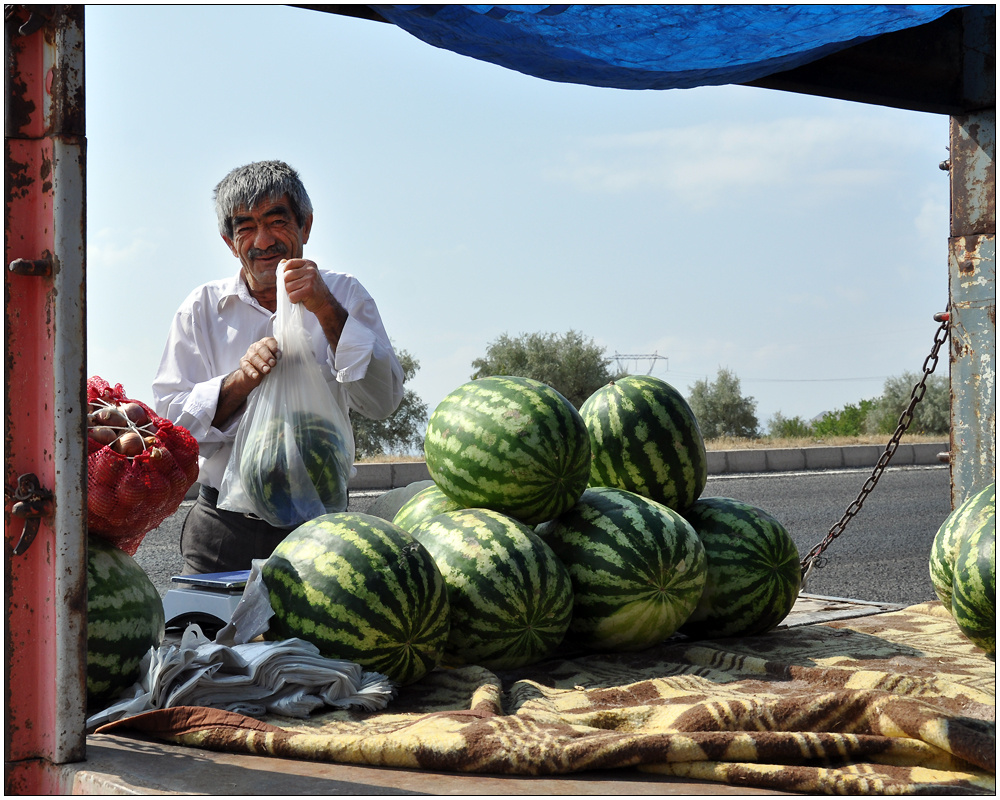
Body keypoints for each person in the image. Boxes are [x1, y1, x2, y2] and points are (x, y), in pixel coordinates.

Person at [153, 160, 404, 574]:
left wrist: (326, 309)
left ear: (305, 226)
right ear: (229, 242)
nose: (263, 240)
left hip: (321, 528)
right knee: (210, 637)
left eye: (276, 220)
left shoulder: (344, 292)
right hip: (224, 528)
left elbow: (382, 401)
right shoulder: (200, 309)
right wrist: (239, 382)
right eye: (246, 227)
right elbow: (171, 430)